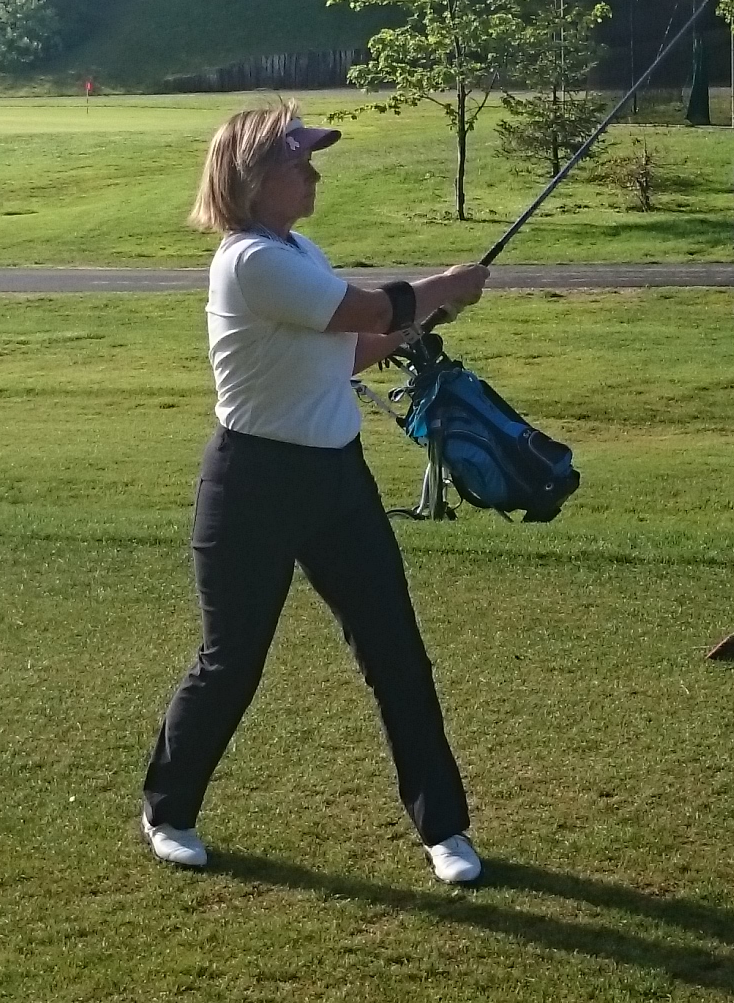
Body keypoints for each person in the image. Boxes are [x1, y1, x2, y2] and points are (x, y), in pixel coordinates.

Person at [142, 104, 494, 885]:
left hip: (336, 479)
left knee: (396, 654)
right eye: (299, 163)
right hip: (252, 484)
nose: (313, 174)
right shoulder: (248, 262)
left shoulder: (299, 250)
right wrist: (440, 285)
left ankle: (444, 830)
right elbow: (362, 309)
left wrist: (429, 311)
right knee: (231, 662)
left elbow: (348, 348)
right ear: (255, 179)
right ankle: (167, 811)